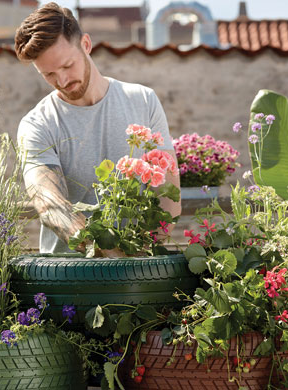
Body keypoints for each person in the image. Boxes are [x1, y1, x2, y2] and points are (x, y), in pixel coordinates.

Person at [14, 2, 181, 255]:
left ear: (86, 45)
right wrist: (109, 255)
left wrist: (143, 254)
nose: (62, 80)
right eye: (48, 74)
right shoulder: (37, 124)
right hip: (67, 279)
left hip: (139, 274)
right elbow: (49, 204)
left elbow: (168, 196)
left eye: (67, 66)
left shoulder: (143, 101)